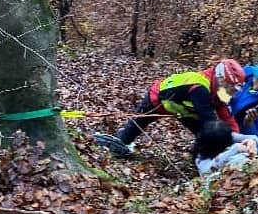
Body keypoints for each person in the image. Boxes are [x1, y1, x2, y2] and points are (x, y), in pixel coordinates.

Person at [95, 59, 246, 157]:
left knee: (204, 134)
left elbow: (227, 115)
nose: (230, 93)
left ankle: (201, 158)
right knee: (130, 133)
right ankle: (115, 143)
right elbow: (210, 122)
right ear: (221, 80)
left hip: (184, 109)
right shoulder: (201, 88)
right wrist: (230, 141)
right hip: (158, 100)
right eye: (230, 88)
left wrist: (238, 139)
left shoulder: (217, 88)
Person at [194, 120, 258, 177]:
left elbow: (254, 137)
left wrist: (252, 142)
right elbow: (209, 169)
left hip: (231, 161)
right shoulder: (200, 156)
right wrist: (234, 150)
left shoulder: (226, 134)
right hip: (218, 177)